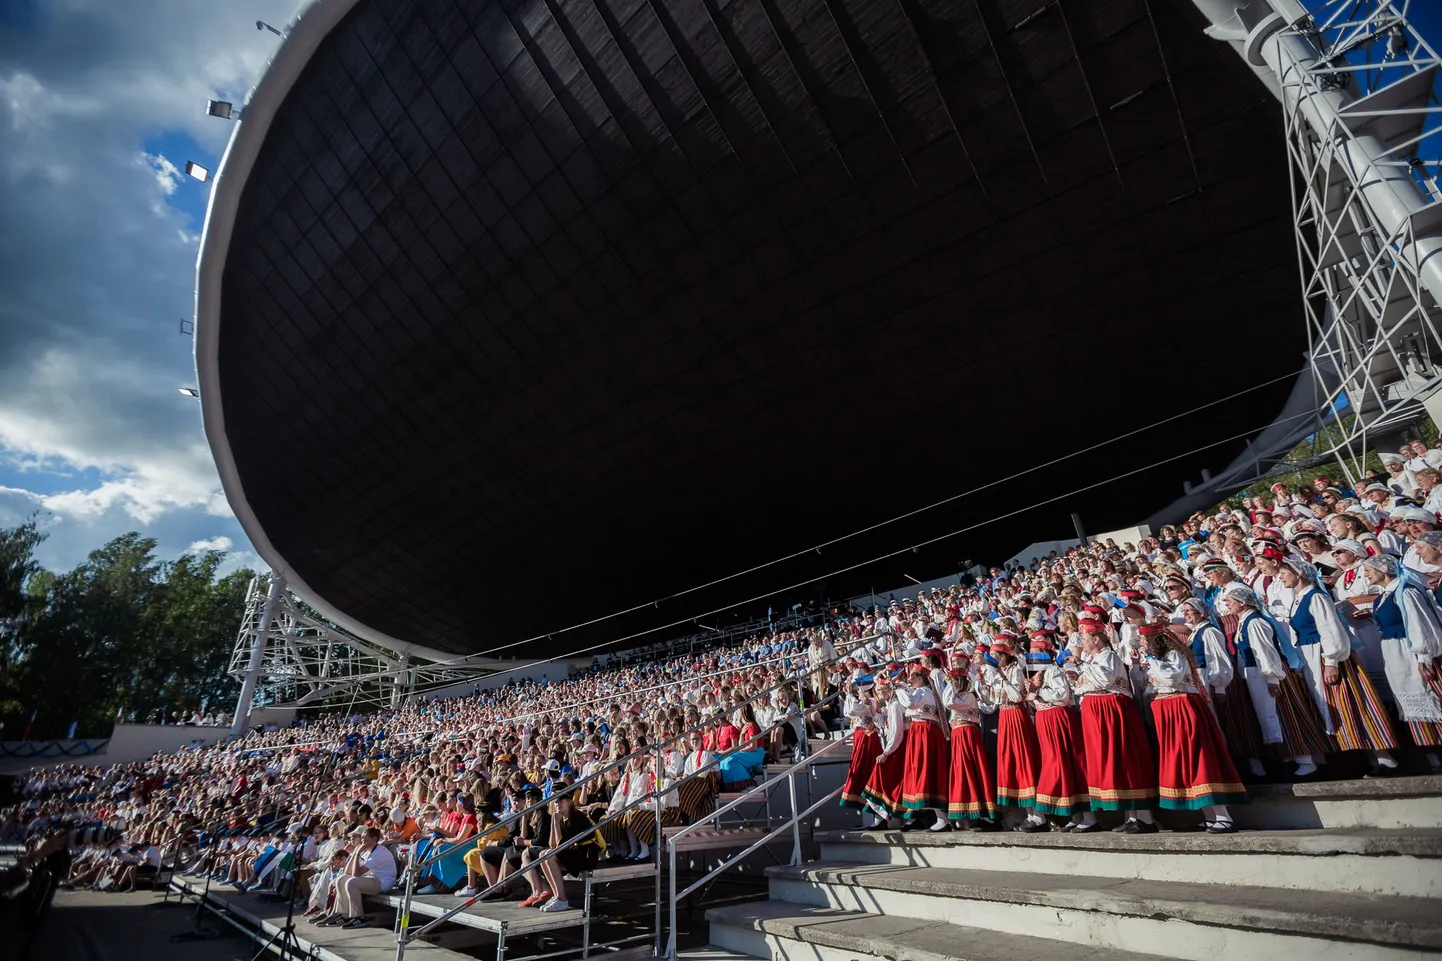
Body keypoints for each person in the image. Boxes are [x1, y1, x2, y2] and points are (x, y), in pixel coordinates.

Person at [1278, 557, 1400, 775]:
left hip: (1326, 657)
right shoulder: (1299, 599)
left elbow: (1330, 629)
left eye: (1284, 572)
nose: (1280, 576)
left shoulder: (1316, 597)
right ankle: (1365, 759)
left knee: (1352, 706)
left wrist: (1332, 662)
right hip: (1311, 657)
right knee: (1334, 710)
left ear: (1298, 574)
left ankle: (1384, 758)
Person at [1141, 624, 1247, 832]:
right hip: (1167, 711)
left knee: (1198, 758)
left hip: (1181, 709)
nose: (1142, 643)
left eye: (1145, 639)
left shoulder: (1174, 656)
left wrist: (1151, 660)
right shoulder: (1157, 661)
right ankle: (1209, 815)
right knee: (1185, 762)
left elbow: (1172, 678)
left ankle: (1222, 815)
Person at [1219, 583, 1329, 778]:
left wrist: (1272, 678)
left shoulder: (1255, 623)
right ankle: (1290, 759)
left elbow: (1265, 651)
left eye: (1230, 601)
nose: (1227, 604)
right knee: (1274, 717)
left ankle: (1306, 761)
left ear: (1242, 603)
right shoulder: (1245, 621)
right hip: (1257, 675)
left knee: (1286, 714)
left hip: (1269, 674)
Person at [1070, 618, 1157, 833]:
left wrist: (1080, 669)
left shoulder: (1107, 656)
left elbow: (1103, 679)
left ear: (1097, 640)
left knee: (1124, 759)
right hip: (1099, 713)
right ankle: (1131, 816)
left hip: (1111, 712)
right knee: (1116, 762)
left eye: (1085, 638)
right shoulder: (1096, 659)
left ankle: (1144, 818)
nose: (1082, 642)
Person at [1361, 554, 1442, 763]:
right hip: (1393, 653)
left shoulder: (1405, 591)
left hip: (1409, 650)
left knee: (1428, 697)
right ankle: (1433, 758)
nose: (1366, 574)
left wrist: (1423, 656)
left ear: (1385, 569)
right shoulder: (1382, 596)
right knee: (1409, 702)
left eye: (1369, 569)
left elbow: (1419, 623)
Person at [1026, 633, 1091, 831]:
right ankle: (1075, 813)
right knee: (1058, 763)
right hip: (1045, 720)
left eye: (1035, 651)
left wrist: (1037, 693)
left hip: (1057, 719)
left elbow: (1061, 696)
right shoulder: (1038, 674)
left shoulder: (1053, 670)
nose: (1031, 655)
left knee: (1070, 762)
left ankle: (1089, 815)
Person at [987, 635, 1045, 832]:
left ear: (1004, 656)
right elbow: (993, 700)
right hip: (1005, 717)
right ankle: (1030, 815)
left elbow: (1016, 696)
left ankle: (1039, 816)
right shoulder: (1000, 672)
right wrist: (987, 684)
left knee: (1024, 761)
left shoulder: (1015, 671)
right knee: (1013, 764)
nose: (994, 659)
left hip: (1016, 717)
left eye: (996, 655)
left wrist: (1002, 680)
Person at [895, 664, 949, 831]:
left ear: (920, 678)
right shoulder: (922, 692)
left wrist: (897, 689)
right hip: (919, 732)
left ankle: (942, 819)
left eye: (912, 677)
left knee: (927, 772)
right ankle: (920, 816)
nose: (909, 680)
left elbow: (910, 703)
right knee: (919, 772)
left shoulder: (924, 692)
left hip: (924, 732)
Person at [943, 658, 996, 830]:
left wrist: (951, 685)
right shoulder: (963, 695)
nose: (951, 684)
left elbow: (948, 702)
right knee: (961, 772)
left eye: (954, 681)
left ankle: (978, 813)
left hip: (966, 734)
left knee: (971, 770)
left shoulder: (968, 696)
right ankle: (964, 813)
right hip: (959, 734)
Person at [319, 827, 395, 930]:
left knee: (351, 882)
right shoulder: (367, 851)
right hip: (372, 879)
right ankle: (345, 914)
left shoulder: (379, 852)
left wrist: (357, 853)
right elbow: (347, 872)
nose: (363, 841)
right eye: (362, 838)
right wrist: (355, 853)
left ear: (374, 839)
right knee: (341, 879)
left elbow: (356, 874)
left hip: (382, 882)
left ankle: (359, 916)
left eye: (366, 838)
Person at [860, 675, 906, 826]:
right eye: (878, 689)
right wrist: (870, 706)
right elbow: (882, 725)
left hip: (897, 749)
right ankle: (884, 816)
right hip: (892, 748)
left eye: (881, 689)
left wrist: (887, 752)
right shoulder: (888, 706)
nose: (879, 692)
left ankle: (899, 815)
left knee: (886, 780)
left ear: (889, 690)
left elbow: (898, 731)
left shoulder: (895, 706)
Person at [838, 679, 883, 827]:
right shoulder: (863, 701)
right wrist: (848, 695)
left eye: (859, 689)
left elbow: (852, 710)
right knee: (861, 772)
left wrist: (849, 695)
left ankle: (879, 817)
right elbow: (847, 713)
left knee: (867, 772)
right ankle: (874, 818)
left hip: (867, 739)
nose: (857, 691)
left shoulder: (870, 701)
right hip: (861, 739)